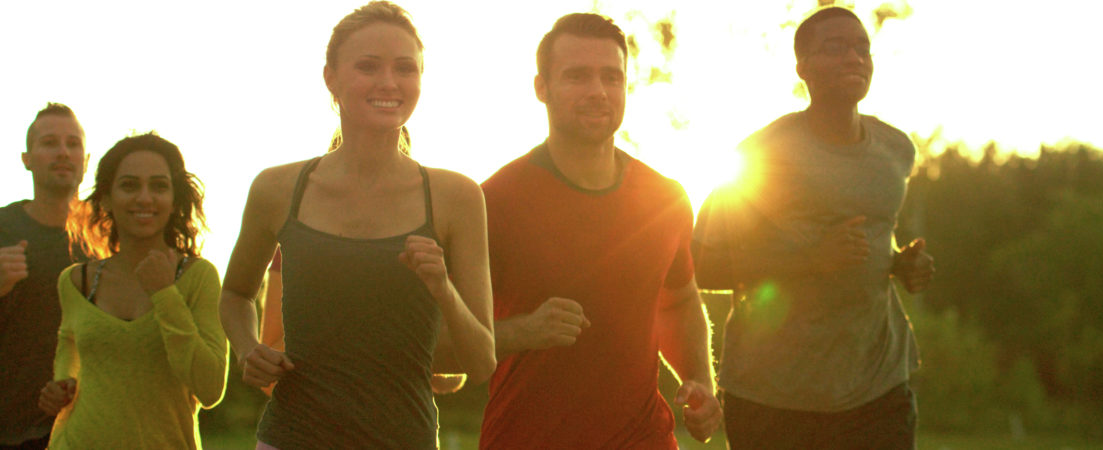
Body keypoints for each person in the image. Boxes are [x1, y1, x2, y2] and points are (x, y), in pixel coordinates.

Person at [216, 2, 496, 448]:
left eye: (405, 69)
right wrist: (248, 348)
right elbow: (234, 294)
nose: (389, 82)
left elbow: (481, 363)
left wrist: (443, 288)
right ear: (331, 77)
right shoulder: (277, 188)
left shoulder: (456, 197)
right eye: (368, 66)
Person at [691, 6, 936, 449]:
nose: (854, 58)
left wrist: (900, 264)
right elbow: (702, 265)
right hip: (774, 398)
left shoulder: (895, 150)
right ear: (802, 67)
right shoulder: (760, 156)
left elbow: (874, 241)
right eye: (835, 48)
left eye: (862, 48)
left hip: (878, 388)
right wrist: (808, 260)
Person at [479, 13, 722, 449]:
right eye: (577, 76)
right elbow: (441, 340)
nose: (598, 91)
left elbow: (679, 302)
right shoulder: (493, 201)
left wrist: (700, 380)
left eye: (612, 77)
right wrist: (523, 331)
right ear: (541, 88)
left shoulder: (665, 198)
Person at [37, 132, 227, 449]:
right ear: (107, 198)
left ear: (175, 198)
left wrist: (165, 293)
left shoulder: (199, 278)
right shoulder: (74, 282)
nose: (144, 197)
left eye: (158, 186)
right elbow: (66, 360)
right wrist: (58, 390)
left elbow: (209, 390)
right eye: (129, 185)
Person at [0, 103, 88, 450]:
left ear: (87, 157)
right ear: (26, 158)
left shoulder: (110, 237)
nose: (64, 152)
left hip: (89, 428)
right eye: (50, 143)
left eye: (73, 143)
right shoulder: (3, 228)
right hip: (10, 432)